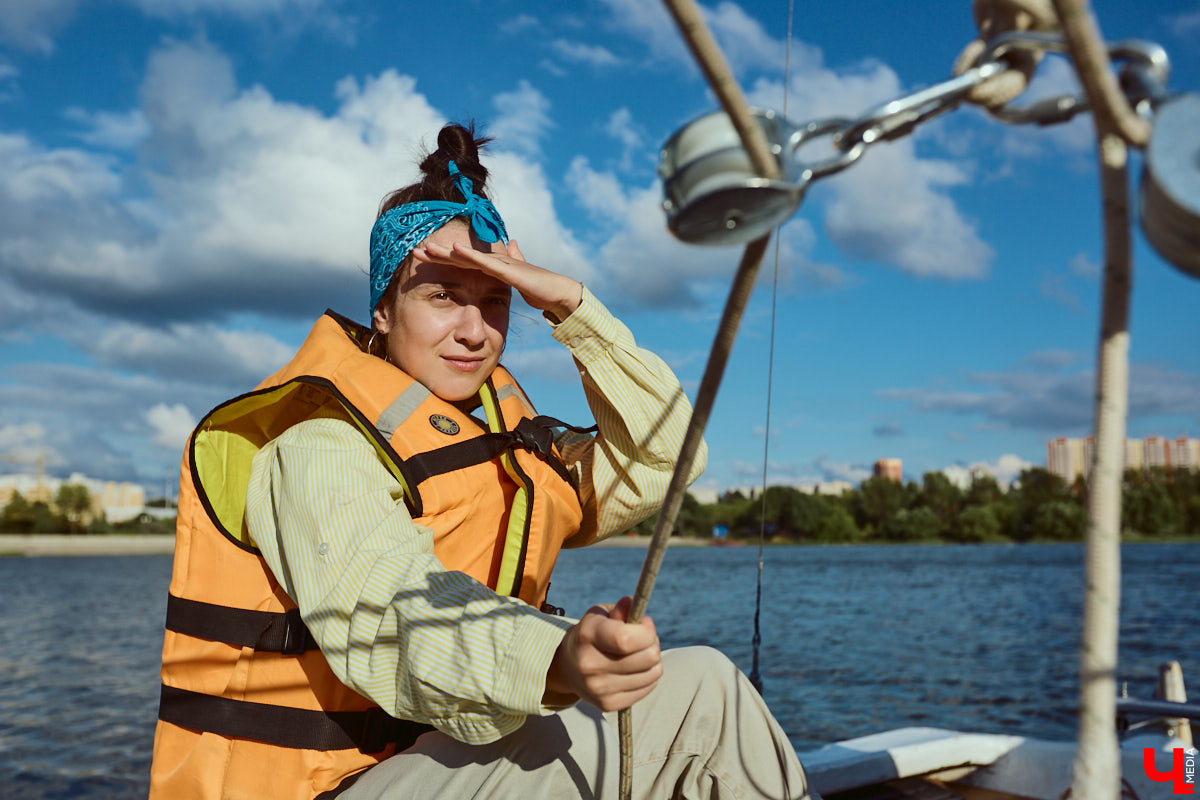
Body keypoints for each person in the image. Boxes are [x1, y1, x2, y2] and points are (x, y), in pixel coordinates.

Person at [149, 123, 814, 800]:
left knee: (702, 680)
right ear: (383, 309)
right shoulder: (322, 445)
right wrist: (559, 658)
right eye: (442, 297)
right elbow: (392, 619)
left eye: (493, 301)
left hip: (436, 763)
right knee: (700, 690)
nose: (474, 331)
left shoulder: (508, 443)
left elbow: (669, 460)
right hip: (326, 788)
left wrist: (572, 308)